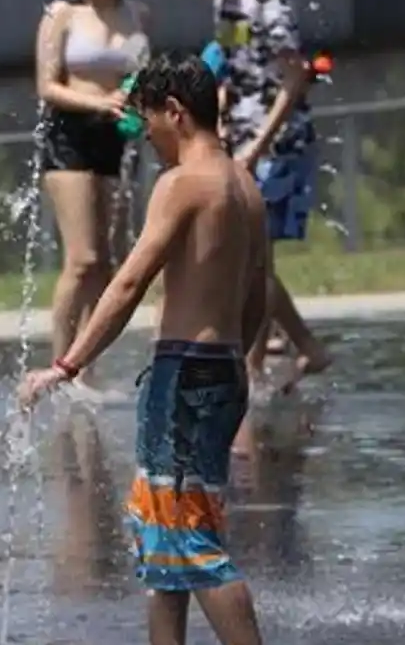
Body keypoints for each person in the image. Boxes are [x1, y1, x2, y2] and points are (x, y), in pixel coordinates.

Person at [20, 51, 269, 645]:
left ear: (176, 113)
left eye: (150, 120)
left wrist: (67, 363)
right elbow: (256, 294)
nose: (147, 137)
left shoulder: (181, 183)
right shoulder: (245, 186)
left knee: (191, 541)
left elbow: (128, 281)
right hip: (223, 369)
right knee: (162, 538)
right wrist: (233, 363)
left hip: (183, 374)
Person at [165, 0, 331, 394]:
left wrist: (260, 144)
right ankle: (293, 353)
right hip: (240, 141)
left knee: (251, 260)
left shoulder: (267, 3)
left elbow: (295, 77)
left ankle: (262, 365)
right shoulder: (226, 6)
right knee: (252, 261)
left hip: (276, 145)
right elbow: (234, 71)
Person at [34, 0, 151, 398]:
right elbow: (47, 86)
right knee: (81, 259)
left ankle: (88, 369)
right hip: (70, 135)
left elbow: (142, 72)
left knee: (106, 262)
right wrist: (100, 102)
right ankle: (59, 363)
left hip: (115, 137)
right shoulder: (62, 16)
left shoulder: (137, 15)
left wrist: (130, 98)